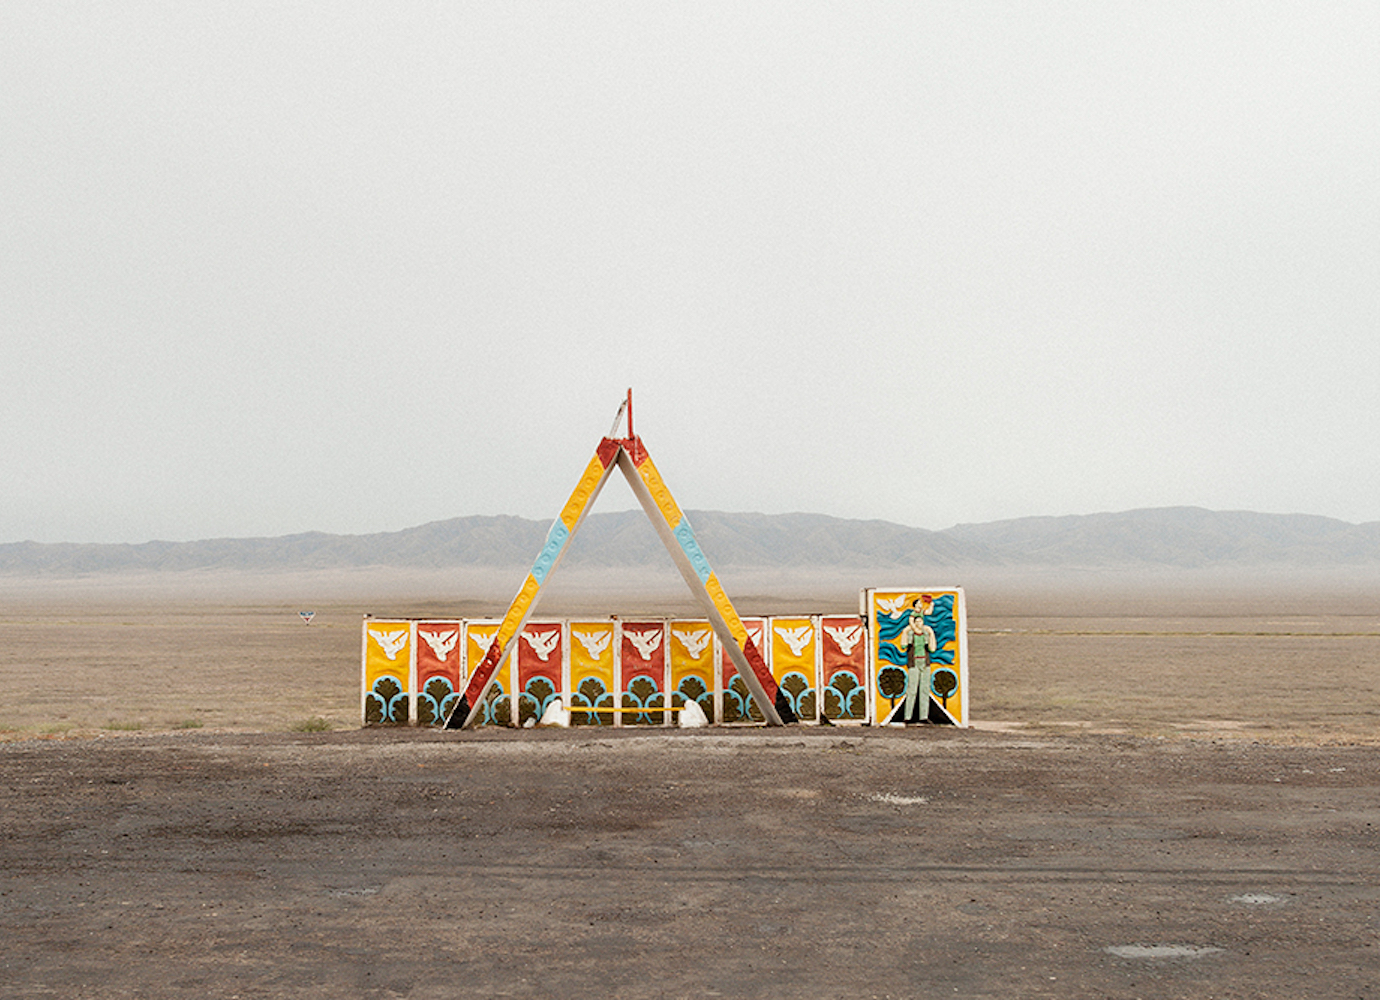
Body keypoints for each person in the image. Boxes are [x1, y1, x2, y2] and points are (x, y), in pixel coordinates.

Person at [898, 596, 937, 724]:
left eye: (921, 622)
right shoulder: (910, 633)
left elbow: (932, 649)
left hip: (924, 663)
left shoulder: (926, 633)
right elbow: (904, 646)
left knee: (925, 689)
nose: (920, 624)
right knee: (912, 689)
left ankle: (923, 716)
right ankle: (908, 716)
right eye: (917, 622)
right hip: (914, 662)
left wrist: (931, 635)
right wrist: (906, 632)